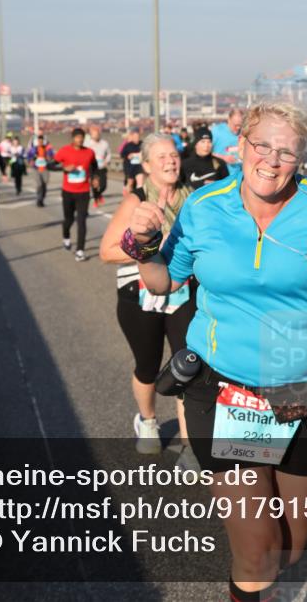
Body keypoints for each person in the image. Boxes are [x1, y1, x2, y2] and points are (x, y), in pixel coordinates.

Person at [130, 102, 307, 601]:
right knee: (257, 547)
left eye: (287, 150)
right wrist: (142, 245)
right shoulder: (204, 207)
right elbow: (164, 281)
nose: (271, 160)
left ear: (302, 156)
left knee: (294, 542)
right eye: (262, 145)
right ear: (241, 145)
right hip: (225, 390)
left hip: (304, 389)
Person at [99, 132, 199, 470]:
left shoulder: (195, 198)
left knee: (187, 368)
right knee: (147, 365)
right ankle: (148, 420)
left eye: (173, 155)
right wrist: (150, 248)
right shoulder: (136, 201)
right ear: (146, 165)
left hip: (184, 292)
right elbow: (107, 251)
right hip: (140, 296)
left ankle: (190, 448)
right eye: (161, 157)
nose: (171, 161)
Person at [55, 127, 99, 262]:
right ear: (72, 138)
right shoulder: (64, 151)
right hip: (68, 192)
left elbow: (94, 166)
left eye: (81, 137)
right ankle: (66, 236)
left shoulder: (89, 152)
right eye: (77, 137)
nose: (79, 140)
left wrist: (95, 177)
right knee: (68, 220)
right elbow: (51, 165)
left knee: (82, 221)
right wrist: (64, 168)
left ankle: (80, 250)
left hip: (83, 192)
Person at [84, 125, 111, 208]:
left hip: (102, 167)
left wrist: (107, 161)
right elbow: (84, 154)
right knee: (95, 185)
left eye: (97, 134)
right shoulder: (87, 144)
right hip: (92, 167)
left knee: (103, 185)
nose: (96, 136)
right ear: (91, 135)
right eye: (94, 134)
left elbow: (109, 153)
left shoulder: (104, 143)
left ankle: (99, 194)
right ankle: (96, 200)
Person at [27, 134, 55, 207]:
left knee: (44, 185)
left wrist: (49, 158)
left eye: (42, 140)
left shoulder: (48, 149)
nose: (40, 142)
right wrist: (30, 161)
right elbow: (29, 156)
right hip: (36, 169)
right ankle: (39, 200)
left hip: (45, 169)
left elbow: (52, 156)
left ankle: (42, 198)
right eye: (39, 140)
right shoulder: (33, 149)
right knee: (39, 184)